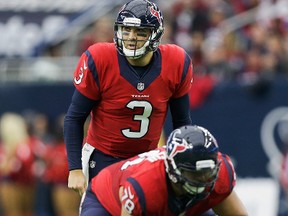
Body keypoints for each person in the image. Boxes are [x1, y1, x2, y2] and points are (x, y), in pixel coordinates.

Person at [64, 0, 193, 197]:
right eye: (126, 30)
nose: (131, 37)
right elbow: (74, 117)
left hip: (148, 158)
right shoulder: (99, 58)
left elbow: (182, 122)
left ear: (155, 35)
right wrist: (74, 168)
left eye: (140, 32)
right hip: (102, 157)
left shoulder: (176, 62)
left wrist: (182, 161)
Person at [80, 125, 248, 216]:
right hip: (106, 202)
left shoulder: (222, 174)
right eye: (193, 173)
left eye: (208, 171)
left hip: (180, 204)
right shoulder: (144, 186)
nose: (203, 179)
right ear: (172, 169)